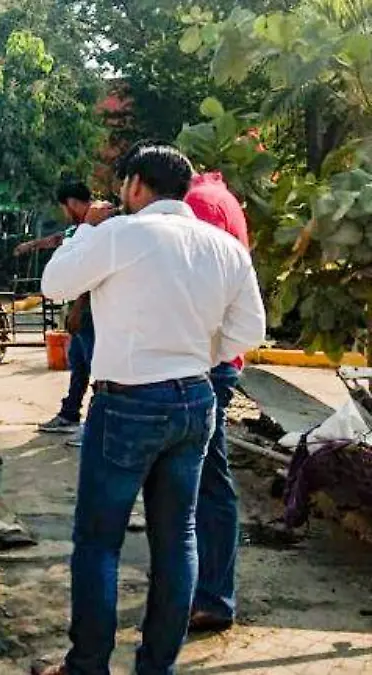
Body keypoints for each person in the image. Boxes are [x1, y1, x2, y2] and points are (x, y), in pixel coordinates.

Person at [32, 145, 265, 675]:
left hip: (128, 402)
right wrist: (197, 355)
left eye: (121, 186)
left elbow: (54, 284)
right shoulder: (223, 247)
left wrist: (88, 228)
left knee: (98, 541)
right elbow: (249, 331)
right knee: (177, 536)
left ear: (136, 184)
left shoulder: (120, 234)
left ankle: (88, 664)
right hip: (195, 399)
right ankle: (156, 666)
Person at [183, 170, 251, 634]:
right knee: (204, 483)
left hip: (206, 361)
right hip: (212, 358)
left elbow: (198, 288)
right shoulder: (214, 196)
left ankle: (213, 597)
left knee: (207, 484)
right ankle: (203, 591)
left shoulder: (200, 205)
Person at [15, 183, 113, 443]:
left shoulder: (99, 224)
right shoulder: (80, 227)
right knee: (79, 364)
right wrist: (32, 245)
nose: (63, 213)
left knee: (98, 368)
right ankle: (70, 413)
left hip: (92, 310)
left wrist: (78, 308)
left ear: (70, 202)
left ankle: (99, 425)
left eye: (63, 207)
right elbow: (60, 239)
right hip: (82, 310)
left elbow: (90, 272)